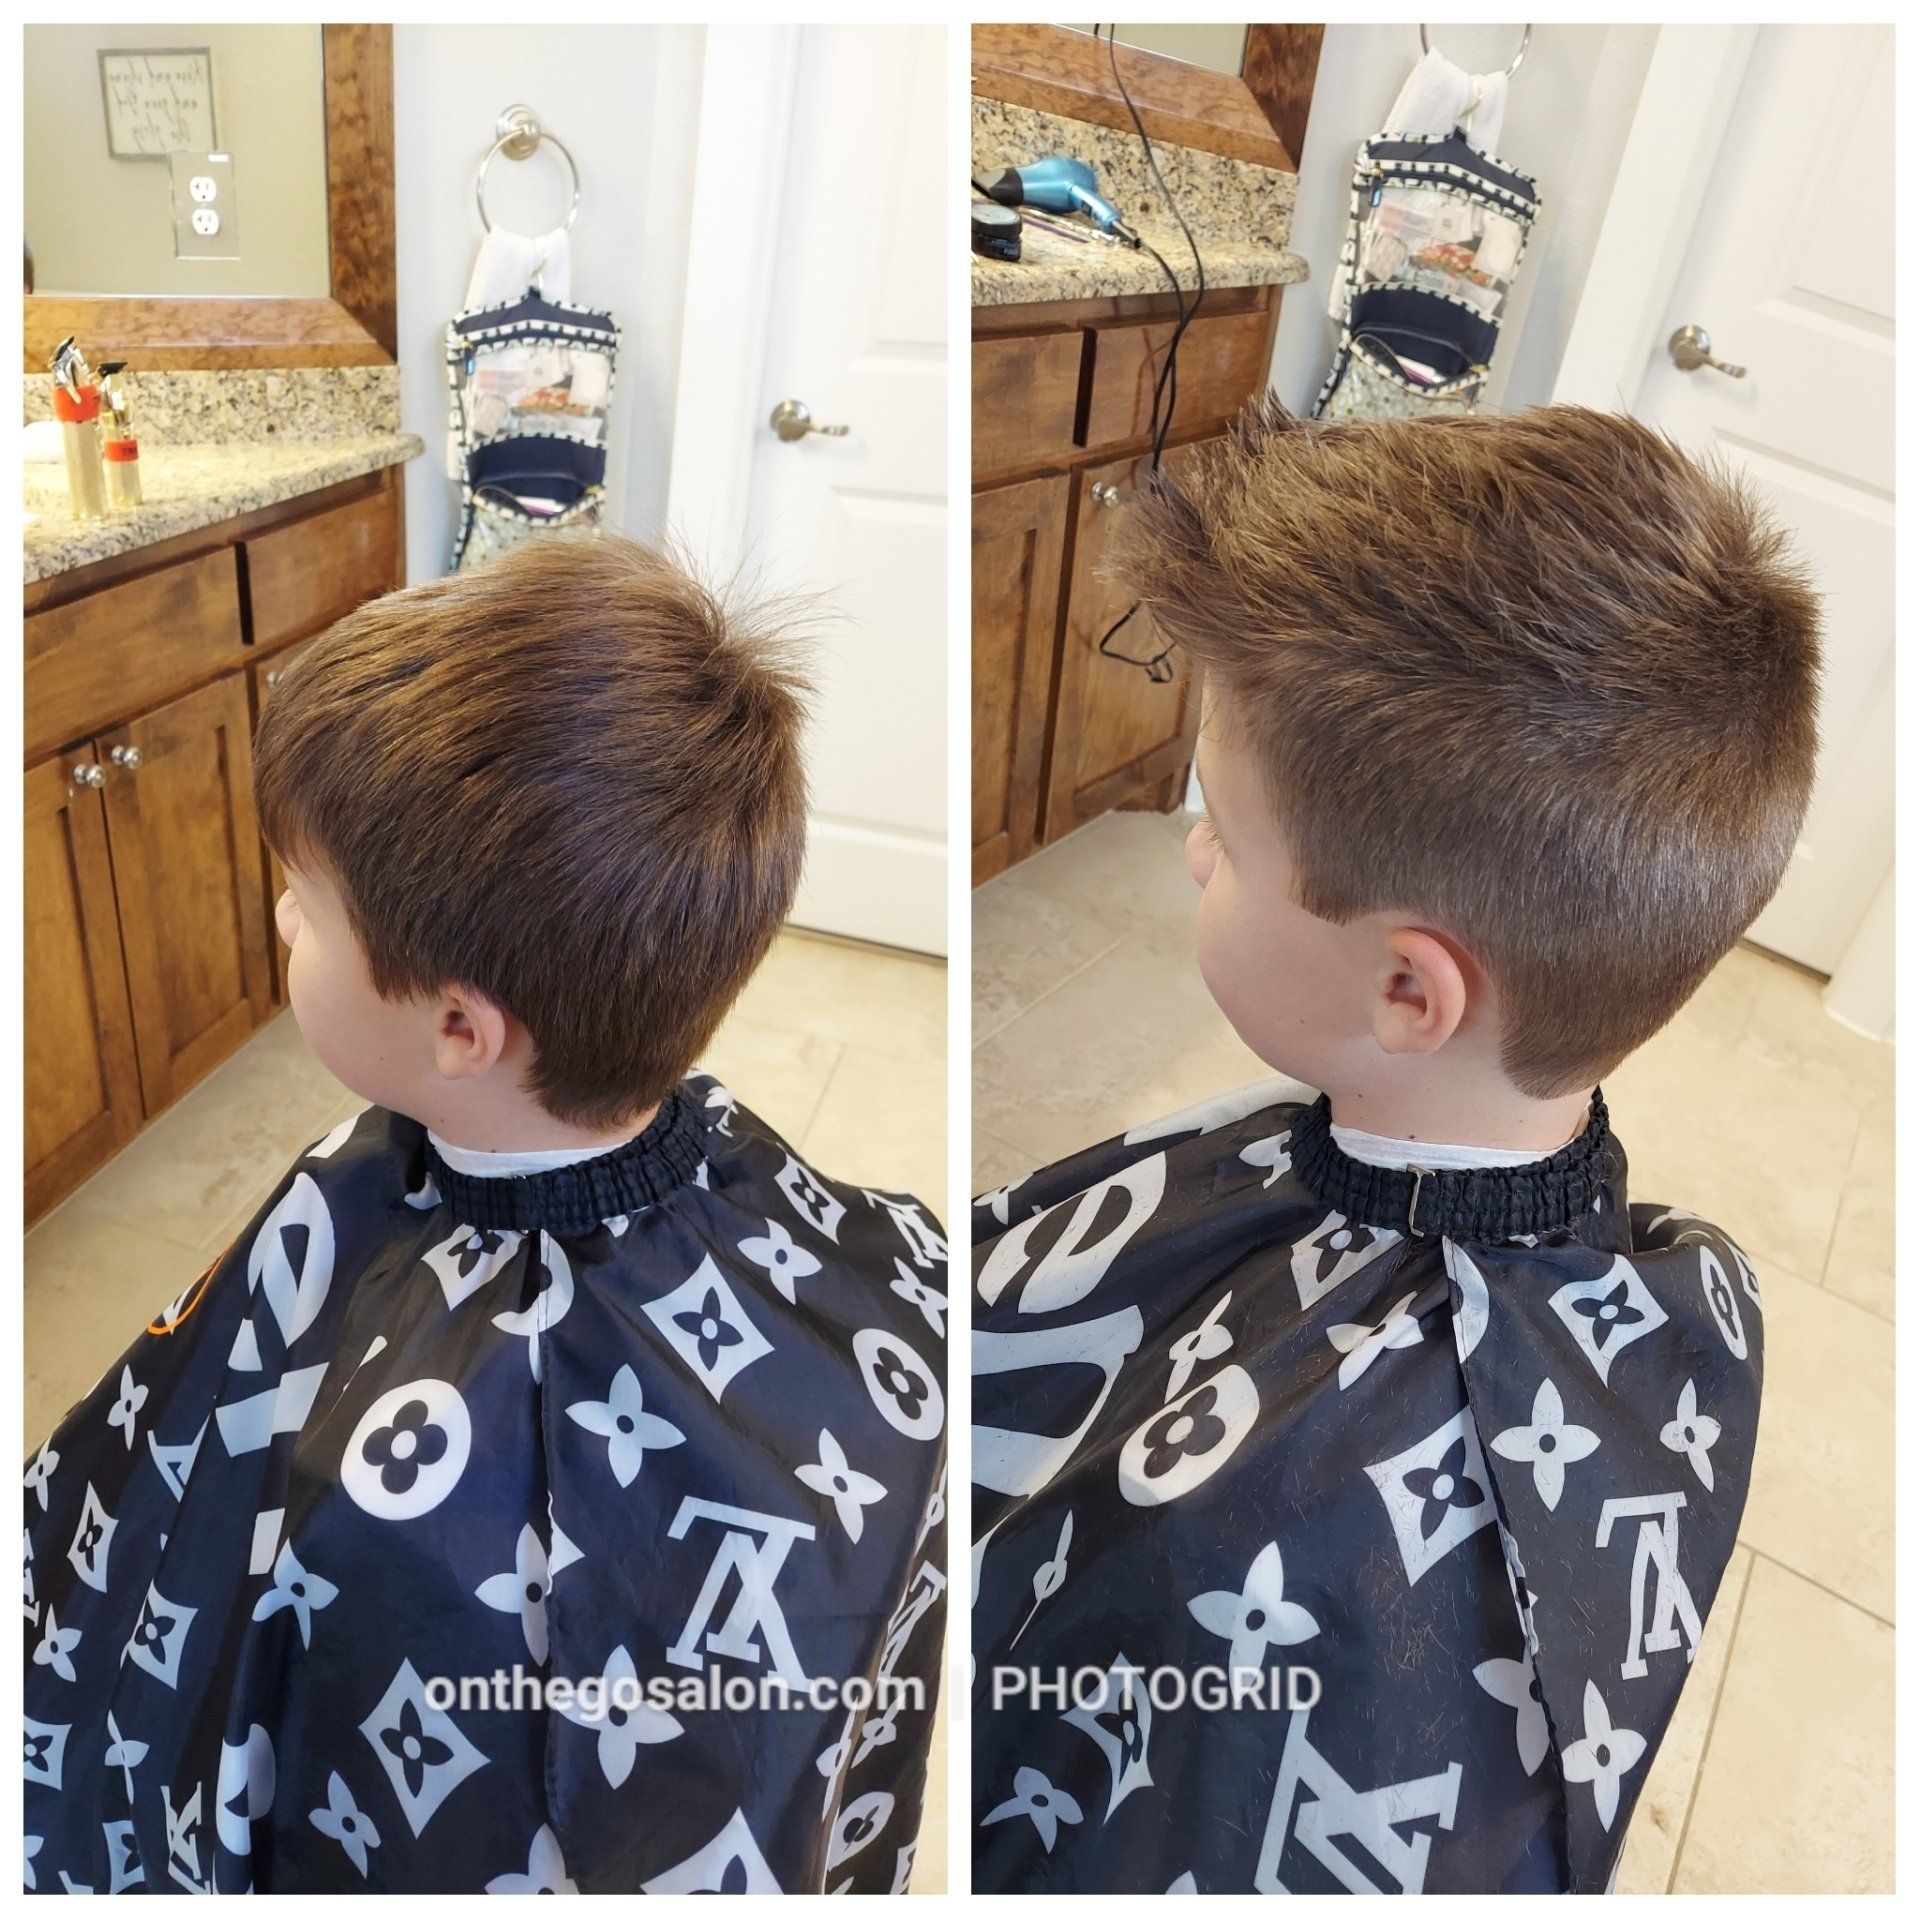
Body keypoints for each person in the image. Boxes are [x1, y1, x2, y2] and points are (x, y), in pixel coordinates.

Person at [971, 401, 1820, 1894]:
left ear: (1407, 993)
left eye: (1223, 832)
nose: (1190, 851)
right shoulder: (1697, 1302)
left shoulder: (1291, 1559)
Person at [25, 536, 947, 1895]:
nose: (280, 912)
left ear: (458, 1025)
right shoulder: (368, 1178)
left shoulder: (371, 1494)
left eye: (308, 905)